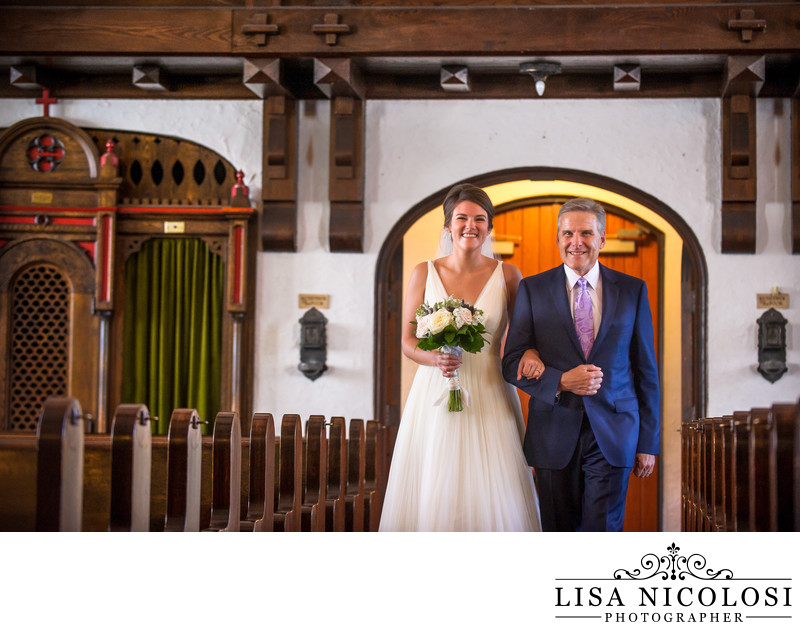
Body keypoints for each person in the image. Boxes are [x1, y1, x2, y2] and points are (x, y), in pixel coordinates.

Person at [379, 183, 541, 531]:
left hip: (490, 388)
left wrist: (529, 354)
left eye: (480, 219)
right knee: (438, 478)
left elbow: (527, 336)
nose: (471, 226)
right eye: (462, 218)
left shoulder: (508, 275)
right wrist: (434, 358)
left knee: (494, 483)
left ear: (489, 226)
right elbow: (407, 341)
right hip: (435, 390)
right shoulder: (424, 272)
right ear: (448, 225)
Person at [502, 197, 660, 532]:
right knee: (559, 533)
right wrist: (560, 381)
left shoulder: (632, 290)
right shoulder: (533, 289)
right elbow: (511, 362)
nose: (577, 241)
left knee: (601, 533)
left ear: (601, 239)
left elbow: (646, 371)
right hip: (554, 431)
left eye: (586, 233)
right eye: (568, 233)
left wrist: (648, 442)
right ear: (558, 238)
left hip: (615, 431)